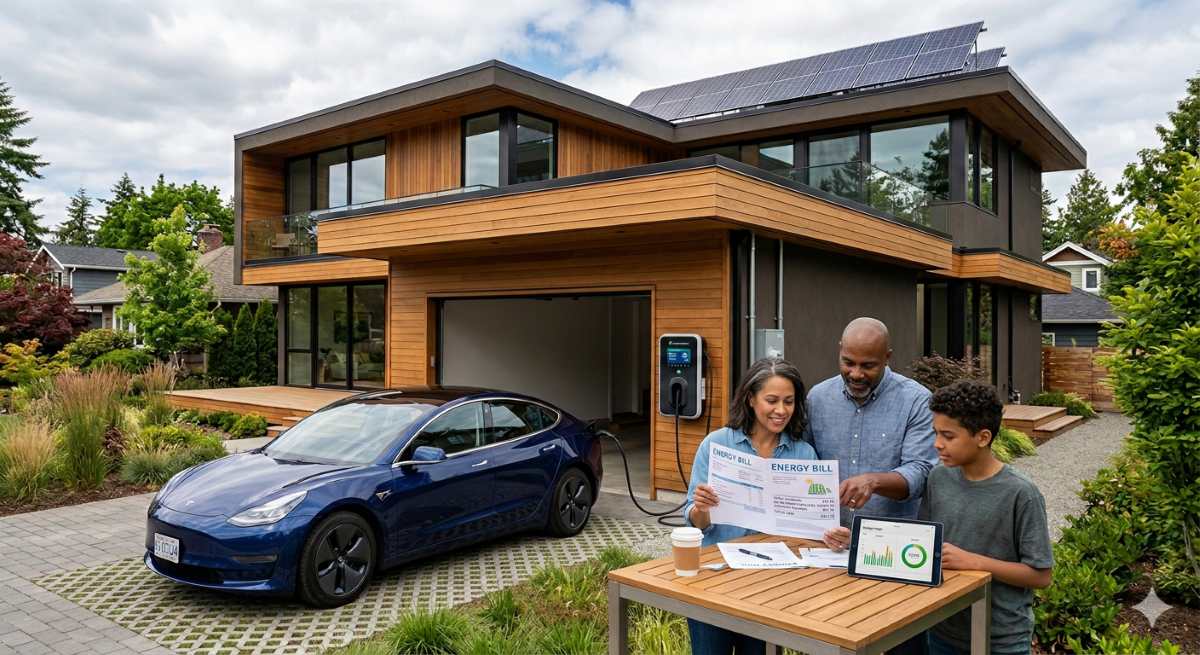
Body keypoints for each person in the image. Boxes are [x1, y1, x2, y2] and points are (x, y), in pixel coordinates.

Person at [681, 358, 816, 655]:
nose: (781, 410)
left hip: (770, 587)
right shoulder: (716, 444)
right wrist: (701, 506)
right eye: (772, 400)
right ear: (751, 399)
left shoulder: (803, 453)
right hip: (714, 581)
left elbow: (810, 527)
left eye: (789, 401)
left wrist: (826, 531)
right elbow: (697, 522)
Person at [921, 380, 1053, 655]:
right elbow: (923, 542)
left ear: (983, 437)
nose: (937, 444)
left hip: (1001, 640)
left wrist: (975, 562)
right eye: (935, 433)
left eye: (948, 436)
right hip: (943, 630)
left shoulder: (1021, 493)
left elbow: (1041, 575)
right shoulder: (938, 478)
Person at [807, 317, 938, 550]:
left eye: (868, 366)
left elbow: (920, 472)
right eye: (848, 362)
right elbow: (801, 459)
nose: (856, 374)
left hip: (891, 544)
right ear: (840, 350)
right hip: (827, 542)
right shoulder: (817, 398)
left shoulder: (916, 401)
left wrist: (873, 481)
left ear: (887, 358)